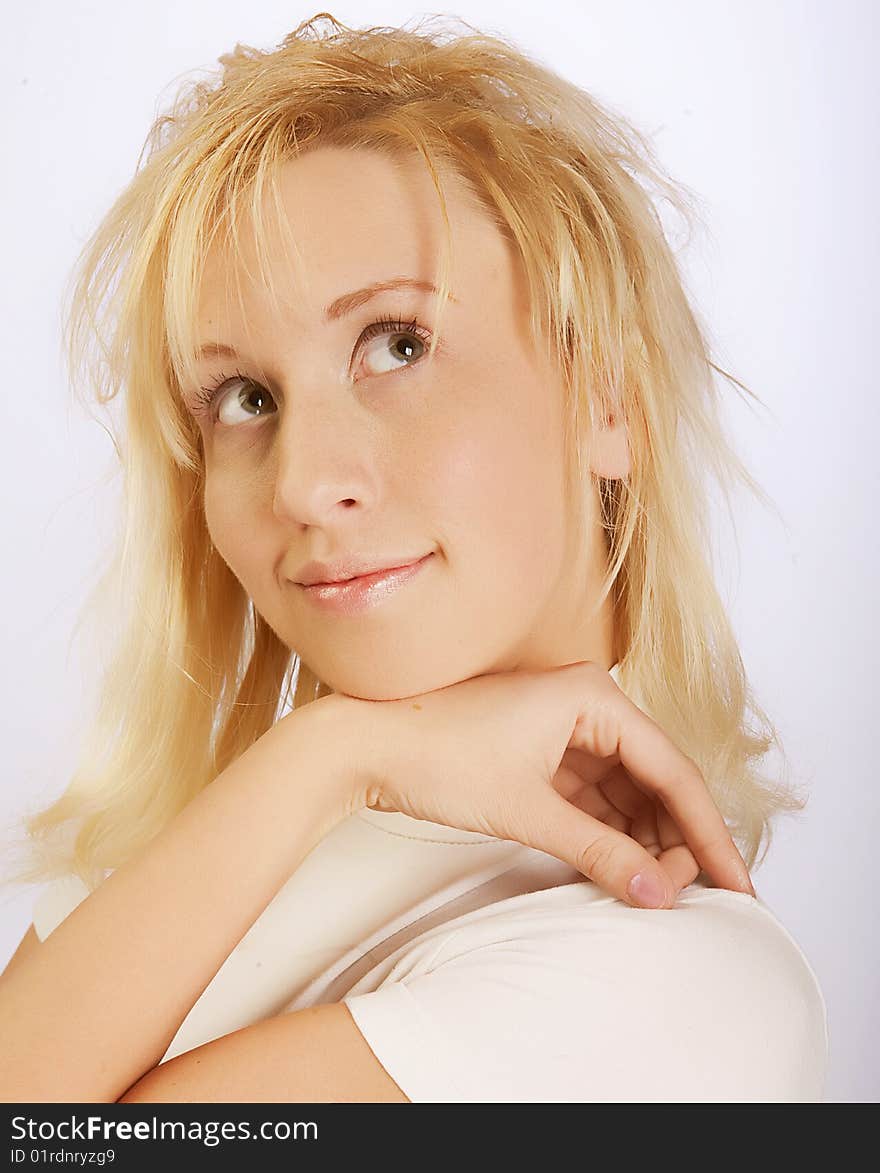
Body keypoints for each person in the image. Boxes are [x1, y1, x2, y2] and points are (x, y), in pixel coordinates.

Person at [0, 12, 827, 1102]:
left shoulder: (682, 978)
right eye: (244, 398)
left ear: (607, 398)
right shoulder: (186, 864)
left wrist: (335, 759)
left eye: (398, 343)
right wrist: (333, 758)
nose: (300, 481)